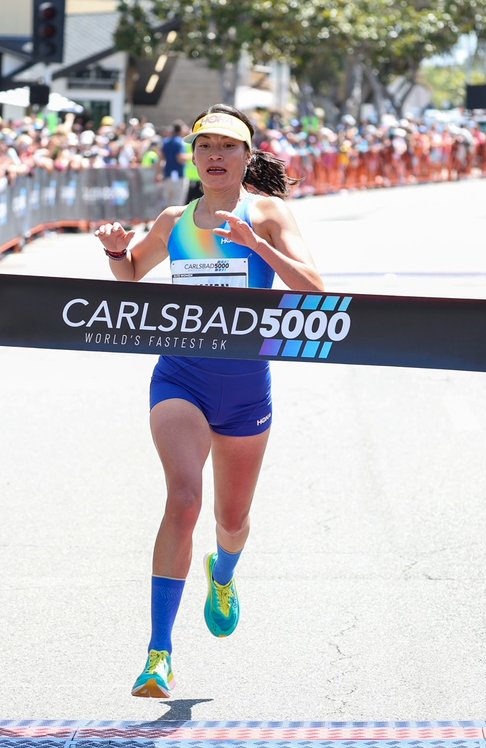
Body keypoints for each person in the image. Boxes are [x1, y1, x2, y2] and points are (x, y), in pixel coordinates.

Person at [93, 104, 323, 699]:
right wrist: (118, 251)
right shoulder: (176, 219)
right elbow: (131, 277)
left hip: (246, 389)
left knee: (232, 519)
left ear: (248, 158)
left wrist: (256, 245)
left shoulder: (268, 212)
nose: (215, 156)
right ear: (193, 158)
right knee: (184, 498)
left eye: (227, 146)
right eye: (205, 147)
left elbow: (318, 290)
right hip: (181, 378)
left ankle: (223, 575)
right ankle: (158, 653)